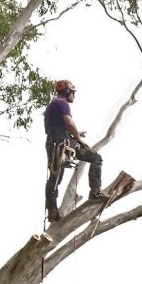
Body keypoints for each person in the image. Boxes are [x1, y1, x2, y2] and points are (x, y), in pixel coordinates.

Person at [44, 79, 109, 222]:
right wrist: (78, 138)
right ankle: (95, 191)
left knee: (55, 177)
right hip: (63, 142)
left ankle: (52, 211)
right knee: (96, 158)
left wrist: (76, 132)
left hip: (53, 142)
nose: (74, 96)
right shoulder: (62, 103)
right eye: (73, 93)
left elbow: (58, 126)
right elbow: (69, 122)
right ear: (67, 92)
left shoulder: (52, 105)